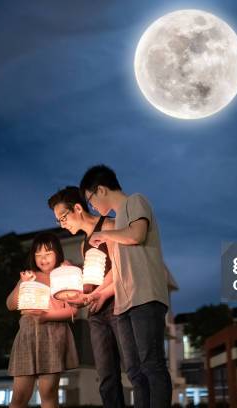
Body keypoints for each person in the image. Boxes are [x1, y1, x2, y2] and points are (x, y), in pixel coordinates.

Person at [80, 164, 172, 408]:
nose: (92, 207)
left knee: (152, 365)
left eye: (90, 200)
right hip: (123, 303)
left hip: (146, 296)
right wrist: (99, 294)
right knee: (134, 371)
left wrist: (106, 235)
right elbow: (117, 271)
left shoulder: (135, 201)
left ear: (100, 190)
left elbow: (136, 235)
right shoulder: (117, 221)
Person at [47, 186, 126, 408]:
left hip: (118, 304)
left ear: (78, 208)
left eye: (63, 217)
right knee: (106, 374)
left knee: (133, 366)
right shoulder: (84, 244)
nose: (62, 224)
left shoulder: (109, 226)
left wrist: (99, 294)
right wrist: (74, 289)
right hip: (96, 312)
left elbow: (118, 267)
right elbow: (92, 280)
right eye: (58, 221)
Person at [6, 232, 79, 408]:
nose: (43, 259)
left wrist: (46, 316)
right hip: (28, 336)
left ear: (57, 253)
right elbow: (10, 304)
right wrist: (22, 284)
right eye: (38, 255)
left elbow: (73, 310)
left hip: (54, 335)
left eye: (47, 254)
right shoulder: (30, 276)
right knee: (19, 396)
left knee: (48, 392)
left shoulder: (64, 274)